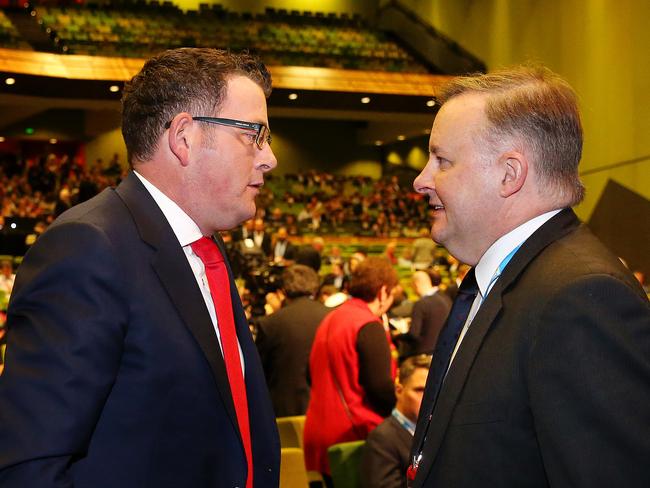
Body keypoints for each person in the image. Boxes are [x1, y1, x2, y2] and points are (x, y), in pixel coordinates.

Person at [0, 48, 280, 487]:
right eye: (254, 134)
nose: (269, 158)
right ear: (184, 137)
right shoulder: (87, 248)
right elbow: (32, 466)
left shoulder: (206, 248)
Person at [409, 65, 650, 487]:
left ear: (509, 173)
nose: (421, 180)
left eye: (442, 160)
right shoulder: (514, 280)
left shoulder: (580, 298)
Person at [304, 257, 398, 483]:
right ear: (383, 291)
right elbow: (379, 387)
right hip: (353, 431)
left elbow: (310, 374)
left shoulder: (332, 317)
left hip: (318, 429)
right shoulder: (367, 324)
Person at [255, 264, 329, 417]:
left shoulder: (270, 323)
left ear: (283, 291)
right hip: (325, 407)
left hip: (283, 411)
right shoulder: (332, 316)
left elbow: (258, 372)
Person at [361, 355, 431, 488]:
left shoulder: (433, 431)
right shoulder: (382, 438)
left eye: (431, 392)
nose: (427, 398)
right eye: (419, 390)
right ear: (399, 391)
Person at [408, 270, 452, 355]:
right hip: (445, 351)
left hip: (424, 354)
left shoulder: (421, 304)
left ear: (416, 284)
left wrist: (399, 336)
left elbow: (414, 334)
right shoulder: (446, 298)